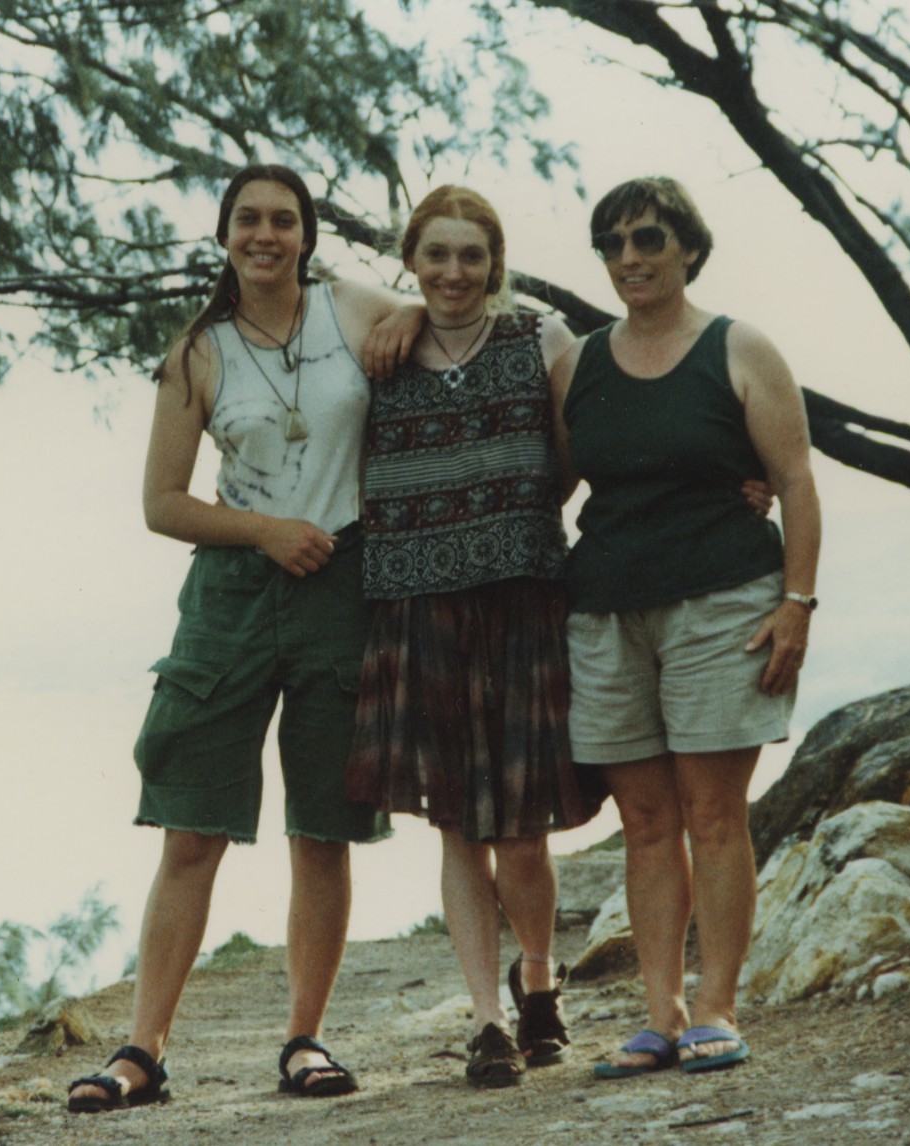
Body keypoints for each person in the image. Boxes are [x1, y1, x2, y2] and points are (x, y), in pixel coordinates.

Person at [67, 164, 418, 1112]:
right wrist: (263, 530)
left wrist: (411, 317)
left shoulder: (352, 308)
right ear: (225, 234)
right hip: (231, 590)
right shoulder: (198, 350)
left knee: (323, 826)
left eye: (284, 220)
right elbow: (161, 503)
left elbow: (447, 314)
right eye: (248, 220)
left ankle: (306, 1039)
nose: (266, 234)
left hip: (343, 582)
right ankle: (141, 1051)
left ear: (308, 234)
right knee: (192, 827)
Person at [551, 176, 821, 1080]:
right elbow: (555, 487)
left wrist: (798, 603)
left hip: (723, 606)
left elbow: (795, 484)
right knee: (644, 820)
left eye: (650, 240)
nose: (631, 257)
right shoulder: (578, 363)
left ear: (688, 250)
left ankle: (716, 1005)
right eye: (615, 243)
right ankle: (658, 1014)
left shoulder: (739, 348)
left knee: (713, 812)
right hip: (605, 613)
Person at [344, 185, 605, 1089]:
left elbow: (581, 457)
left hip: (524, 602)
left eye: (471, 256)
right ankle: (487, 1023)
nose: (453, 273)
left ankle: (537, 982)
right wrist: (404, 314)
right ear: (411, 261)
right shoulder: (380, 345)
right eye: (436, 256)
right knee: (457, 827)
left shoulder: (545, 340)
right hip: (418, 608)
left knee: (525, 832)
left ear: (495, 262)